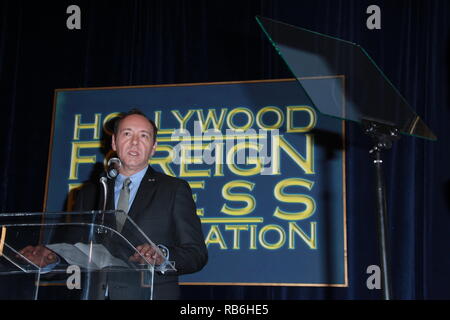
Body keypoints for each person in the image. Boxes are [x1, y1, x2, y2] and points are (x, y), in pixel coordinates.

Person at [20, 109, 208, 300]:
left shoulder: (173, 189)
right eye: (127, 134)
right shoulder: (90, 193)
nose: (135, 142)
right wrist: (50, 259)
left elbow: (196, 254)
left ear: (153, 147)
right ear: (114, 142)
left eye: (144, 136)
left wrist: (162, 257)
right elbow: (71, 251)